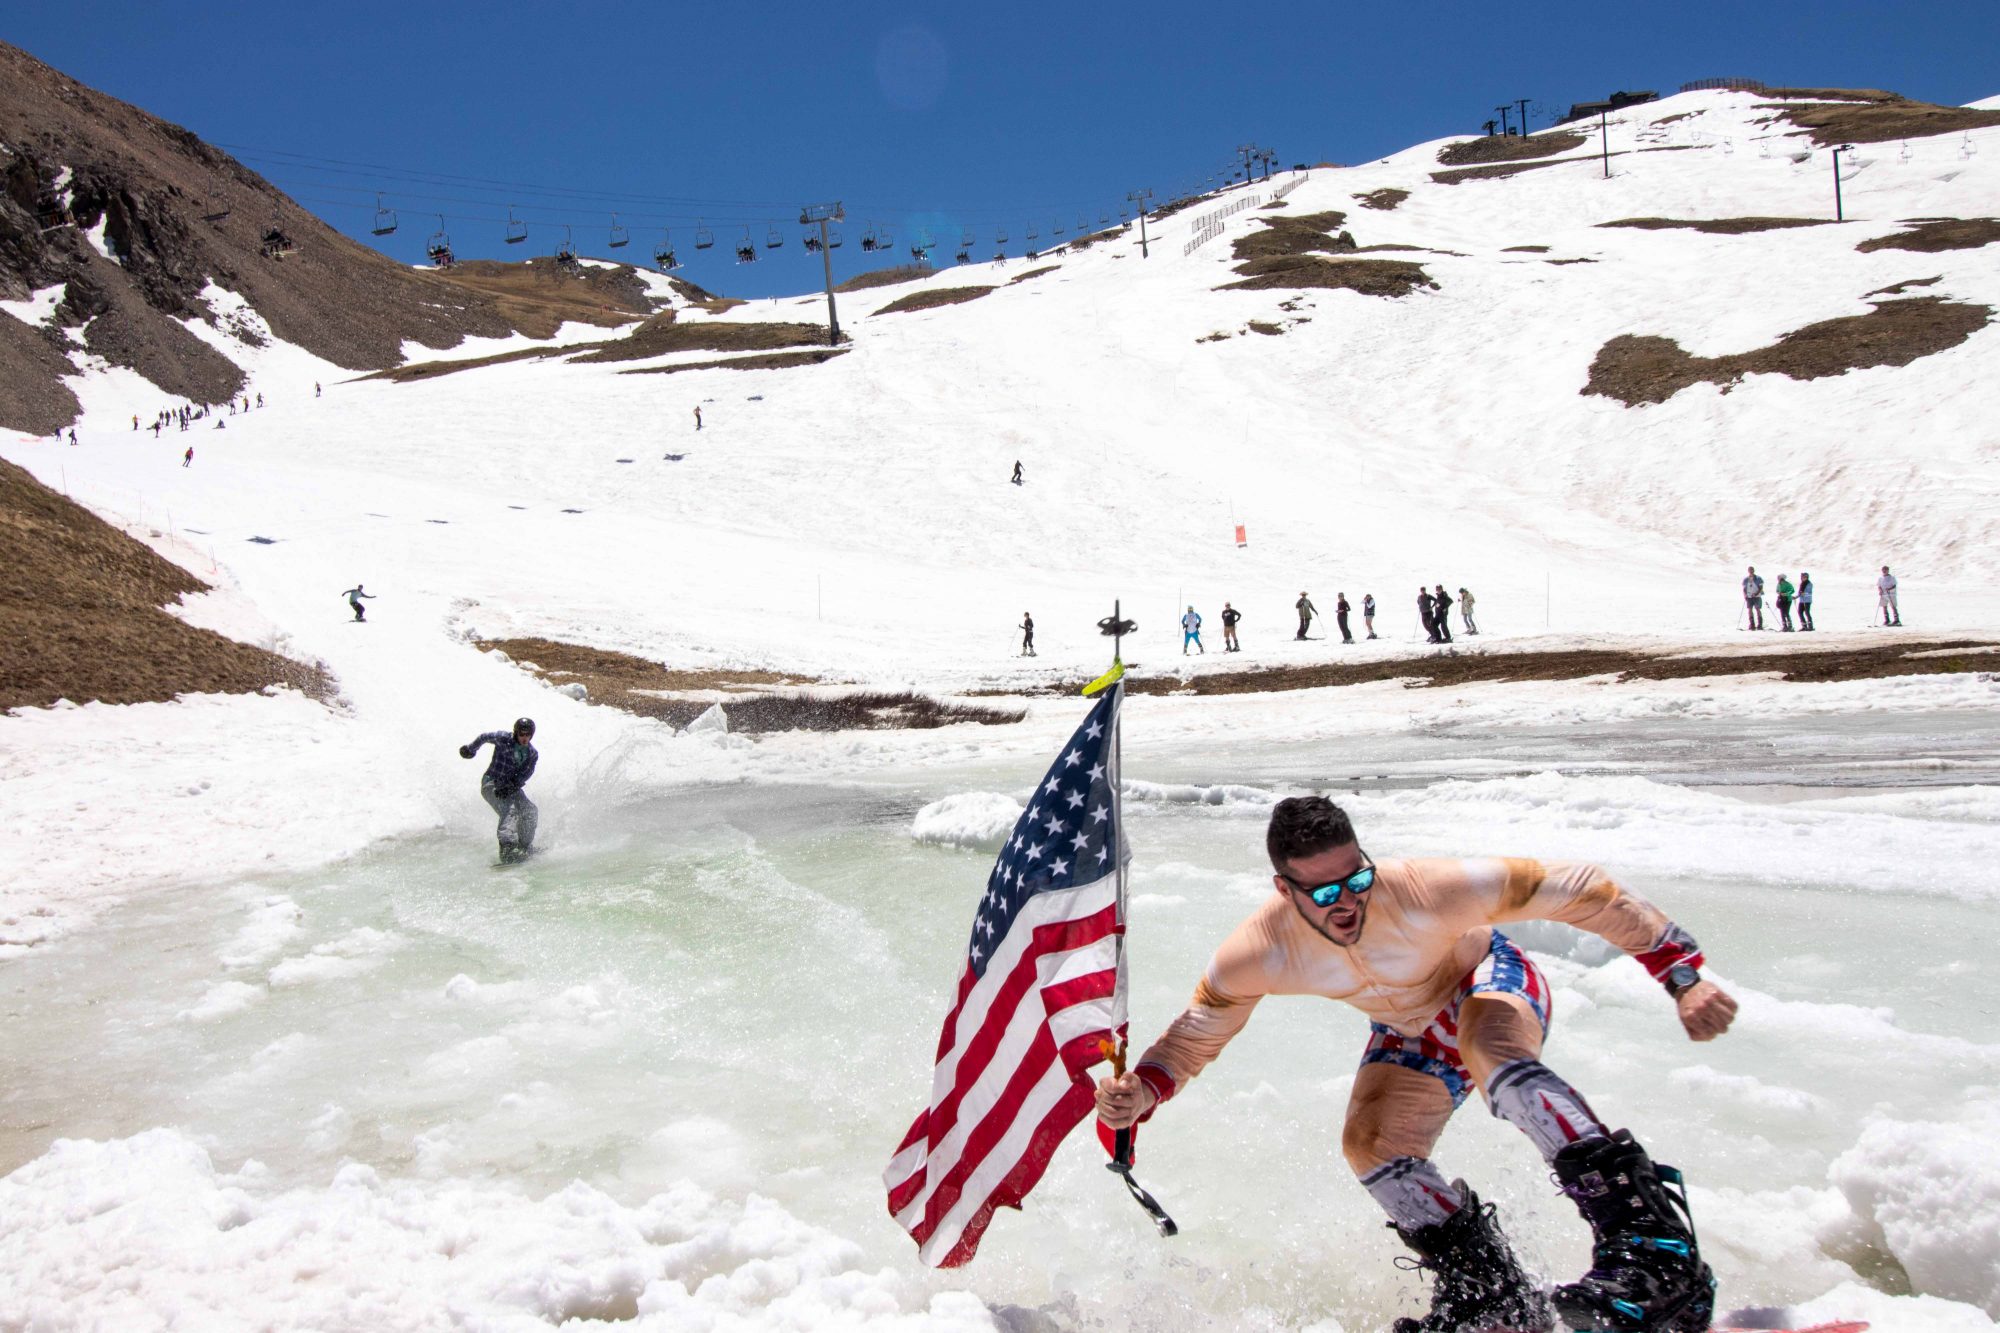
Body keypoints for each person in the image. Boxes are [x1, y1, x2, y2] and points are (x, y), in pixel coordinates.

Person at [1095, 796, 1733, 1333]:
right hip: (1410, 1028)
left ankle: (1657, 1249)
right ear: (1284, 890)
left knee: (1491, 1051)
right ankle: (1492, 1294)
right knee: (1369, 1146)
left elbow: (1580, 888)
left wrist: (1682, 977)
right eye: (1323, 892)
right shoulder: (1258, 951)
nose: (1347, 903)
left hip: (1487, 979)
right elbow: (1200, 1031)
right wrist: (1144, 1089)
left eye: (1357, 880)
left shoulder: (1427, 891)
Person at [460, 719, 540, 862]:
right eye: (522, 734)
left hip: (511, 787)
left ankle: (524, 847)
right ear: (516, 732)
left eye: (528, 734)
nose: (524, 738)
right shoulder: (504, 738)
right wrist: (471, 749)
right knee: (510, 810)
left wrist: (513, 786)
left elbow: (526, 774)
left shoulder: (532, 753)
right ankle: (507, 848)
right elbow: (484, 737)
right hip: (492, 783)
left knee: (530, 811)